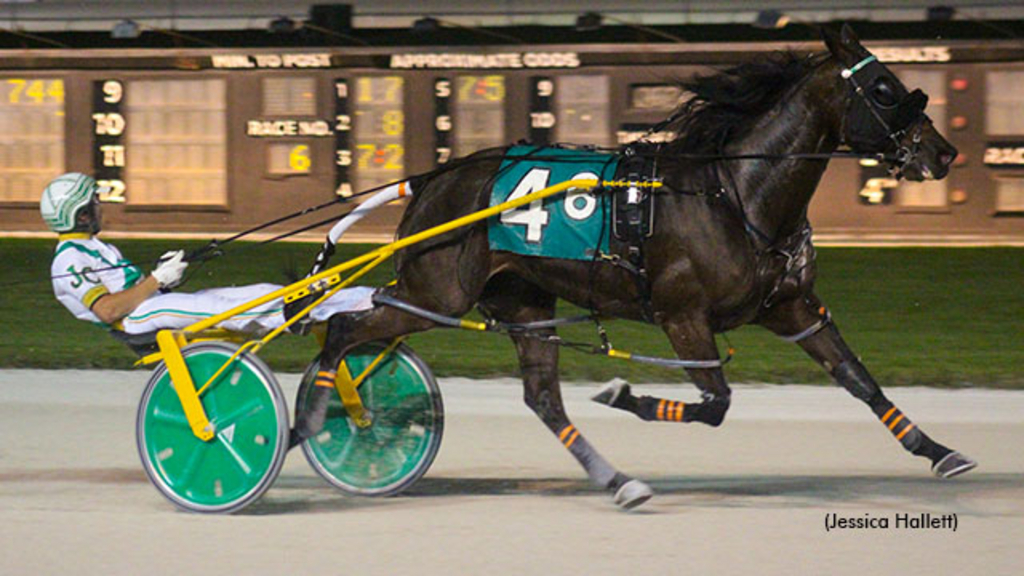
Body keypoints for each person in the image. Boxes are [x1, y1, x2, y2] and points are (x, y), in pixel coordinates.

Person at [41, 172, 374, 338]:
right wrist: (158, 280)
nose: (101, 206)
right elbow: (108, 309)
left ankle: (359, 300)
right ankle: (308, 316)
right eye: (94, 203)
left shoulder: (93, 247)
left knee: (261, 292)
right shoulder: (68, 259)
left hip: (148, 306)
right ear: (81, 215)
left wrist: (164, 276)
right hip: (132, 320)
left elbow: (128, 290)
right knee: (224, 309)